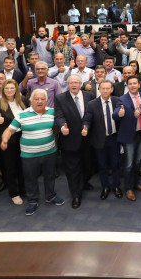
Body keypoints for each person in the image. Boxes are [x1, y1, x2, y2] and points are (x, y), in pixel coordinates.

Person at [2, 89, 64, 215]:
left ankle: (50, 196)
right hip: (29, 155)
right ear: (31, 101)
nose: (39, 101)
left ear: (46, 101)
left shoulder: (53, 112)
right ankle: (32, 201)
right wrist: (4, 140)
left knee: (50, 176)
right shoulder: (22, 115)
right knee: (30, 179)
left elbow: (61, 124)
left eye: (42, 99)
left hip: (50, 152)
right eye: (36, 99)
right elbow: (9, 130)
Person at [54, 75, 94, 209]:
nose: (74, 85)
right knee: (72, 169)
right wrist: (61, 127)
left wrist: (88, 127)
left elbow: (91, 115)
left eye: (76, 82)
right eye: (71, 83)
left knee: (88, 165)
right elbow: (58, 116)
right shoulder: (60, 98)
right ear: (67, 84)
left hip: (87, 139)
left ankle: (84, 182)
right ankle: (76, 195)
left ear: (81, 83)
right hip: (70, 139)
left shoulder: (90, 96)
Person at [0, 79, 26, 206]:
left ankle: (23, 189)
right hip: (7, 139)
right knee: (9, 168)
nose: (9, 90)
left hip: (23, 138)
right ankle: (14, 193)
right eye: (6, 88)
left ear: (16, 89)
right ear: (3, 90)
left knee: (22, 166)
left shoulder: (23, 101)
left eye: (12, 88)